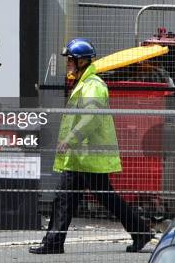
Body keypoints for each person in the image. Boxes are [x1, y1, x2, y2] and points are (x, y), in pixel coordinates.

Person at [29, 38, 153, 254]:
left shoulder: (94, 85)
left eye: (70, 60)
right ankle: (54, 243)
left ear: (82, 61)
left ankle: (141, 231)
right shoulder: (84, 83)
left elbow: (91, 117)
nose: (67, 63)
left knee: (99, 197)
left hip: (88, 156)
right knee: (64, 198)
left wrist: (71, 139)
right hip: (80, 156)